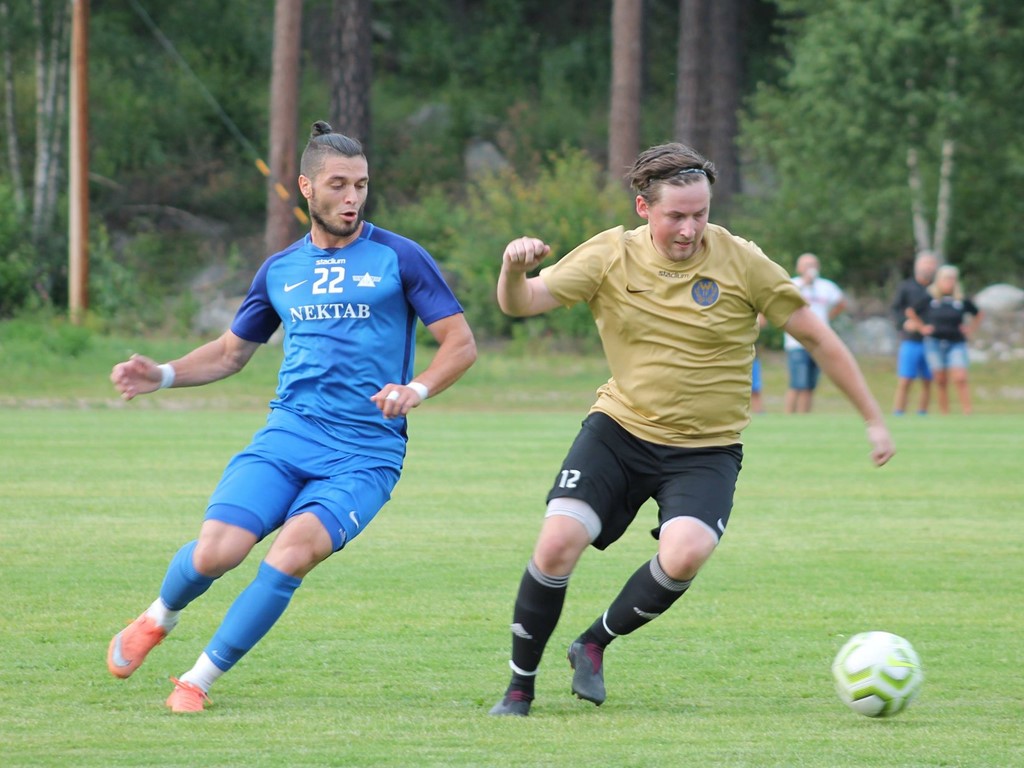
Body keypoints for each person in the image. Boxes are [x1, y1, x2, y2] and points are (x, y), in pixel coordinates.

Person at [488, 142, 895, 717]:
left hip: (706, 448)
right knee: (557, 543)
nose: (690, 228)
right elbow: (521, 303)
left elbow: (818, 337)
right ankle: (518, 688)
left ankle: (594, 642)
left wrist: (874, 420)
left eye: (700, 213)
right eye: (676, 215)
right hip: (620, 430)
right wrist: (511, 268)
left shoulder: (741, 261)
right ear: (642, 208)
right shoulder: (609, 255)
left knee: (686, 553)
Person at [106, 121, 477, 713]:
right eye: (338, 184)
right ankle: (158, 617)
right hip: (288, 437)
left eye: (360, 185)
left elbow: (460, 342)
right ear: (307, 187)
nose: (352, 198)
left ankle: (195, 681)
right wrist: (165, 375)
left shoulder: (399, 258)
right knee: (215, 553)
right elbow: (231, 353)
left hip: (365, 454)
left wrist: (417, 388)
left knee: (292, 551)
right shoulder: (279, 269)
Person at [906, 264, 983, 415]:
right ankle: (945, 412)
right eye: (946, 279)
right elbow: (911, 312)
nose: (950, 282)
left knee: (960, 377)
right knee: (940, 380)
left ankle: (967, 411)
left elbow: (979, 314)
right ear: (939, 280)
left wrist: (970, 329)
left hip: (956, 342)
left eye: (952, 279)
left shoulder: (960, 300)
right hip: (934, 342)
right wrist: (922, 328)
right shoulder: (930, 298)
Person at [782, 253, 847, 413]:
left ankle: (805, 418)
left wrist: (827, 319)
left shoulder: (826, 286)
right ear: (799, 267)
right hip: (797, 342)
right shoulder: (792, 284)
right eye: (807, 264)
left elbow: (841, 302)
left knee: (810, 384)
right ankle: (788, 417)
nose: (810, 268)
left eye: (813, 264)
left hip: (818, 342)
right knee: (798, 383)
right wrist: (805, 283)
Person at [891, 251, 938, 415]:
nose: (929, 267)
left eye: (931, 264)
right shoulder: (907, 287)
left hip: (933, 341)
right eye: (926, 263)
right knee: (906, 379)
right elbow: (896, 309)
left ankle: (922, 412)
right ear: (918, 266)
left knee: (928, 379)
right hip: (911, 340)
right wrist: (904, 323)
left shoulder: (937, 289)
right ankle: (899, 411)